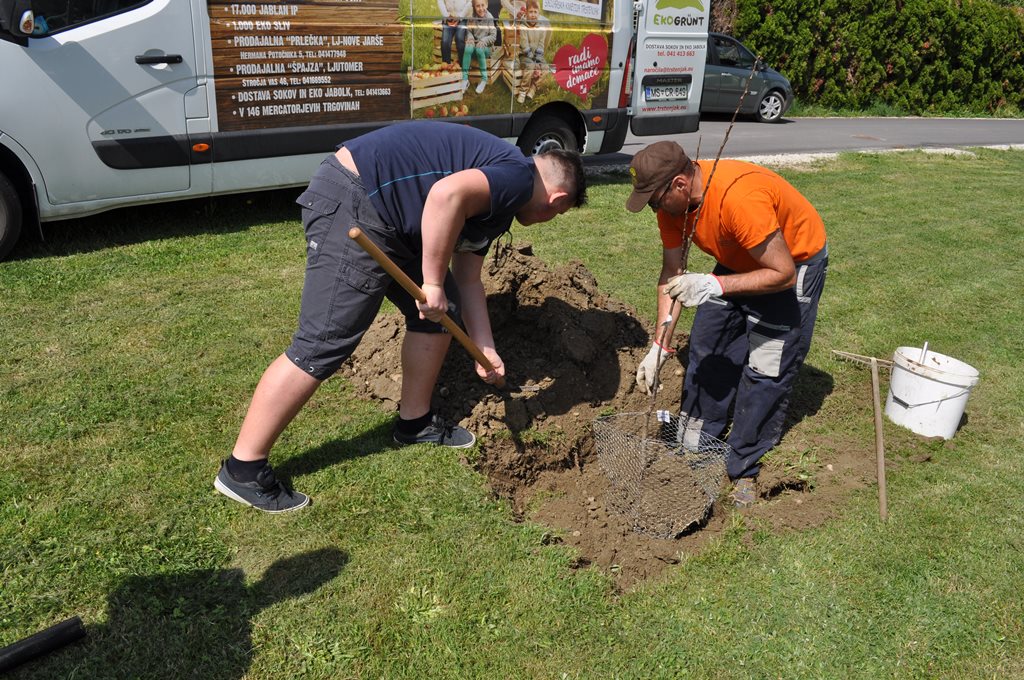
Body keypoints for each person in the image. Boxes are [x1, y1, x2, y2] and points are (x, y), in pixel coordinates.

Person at [215, 121, 587, 512]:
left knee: (444, 312)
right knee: (323, 341)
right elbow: (445, 195)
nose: (550, 218)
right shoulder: (517, 177)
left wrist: (486, 347)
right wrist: (432, 282)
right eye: (558, 214)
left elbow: (469, 279)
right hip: (359, 197)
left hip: (388, 217)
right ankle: (243, 469)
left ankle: (414, 422)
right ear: (557, 199)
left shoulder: (502, 195)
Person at [625, 141, 827, 508]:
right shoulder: (673, 205)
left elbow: (781, 273)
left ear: (679, 185)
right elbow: (672, 272)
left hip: (792, 262)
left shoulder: (739, 199)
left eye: (654, 201)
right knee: (708, 344)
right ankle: (697, 444)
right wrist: (659, 347)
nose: (654, 209)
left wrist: (714, 285)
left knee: (766, 367)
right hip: (738, 255)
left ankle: (743, 464)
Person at [515, 0, 550, 104]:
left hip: (536, 56)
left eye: (535, 12)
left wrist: (538, 62)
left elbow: (541, 45)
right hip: (525, 55)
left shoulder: (541, 27)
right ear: (526, 13)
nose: (533, 15)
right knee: (530, 67)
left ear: (539, 13)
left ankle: (533, 88)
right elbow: (525, 46)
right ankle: (523, 91)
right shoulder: (524, 27)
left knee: (546, 69)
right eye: (531, 12)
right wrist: (535, 64)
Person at [461, 0, 497, 94]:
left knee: (479, 49)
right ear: (474, 7)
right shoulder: (472, 17)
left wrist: (483, 41)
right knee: (468, 48)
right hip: (475, 44)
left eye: (482, 5)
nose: (481, 8)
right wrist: (470, 38)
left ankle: (484, 79)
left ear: (487, 5)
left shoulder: (489, 18)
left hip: (486, 48)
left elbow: (493, 36)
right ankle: (465, 79)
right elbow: (469, 31)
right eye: (477, 6)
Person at [437, 0, 471, 66]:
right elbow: (440, 1)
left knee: (459, 37)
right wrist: (447, 15)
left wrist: (460, 16)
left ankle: (462, 65)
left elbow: (470, 2)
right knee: (445, 40)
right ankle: (446, 66)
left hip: (462, 17)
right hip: (448, 16)